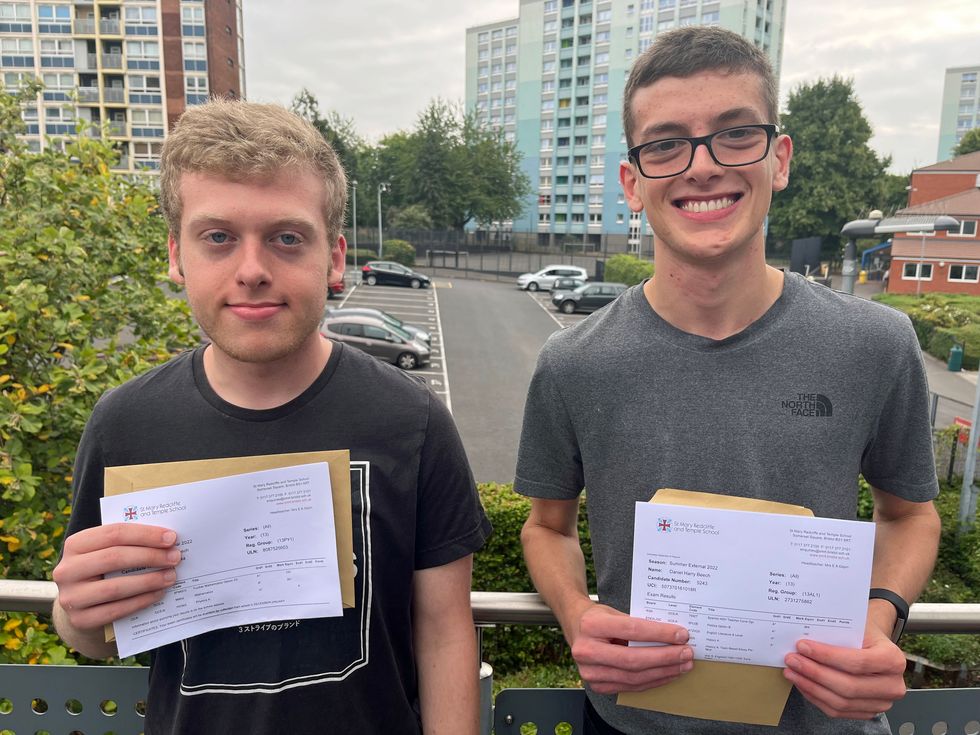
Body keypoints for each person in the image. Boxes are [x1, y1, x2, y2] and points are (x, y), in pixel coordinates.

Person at [515, 26, 940, 735]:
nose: (702, 165)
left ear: (780, 159)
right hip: (632, 725)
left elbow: (910, 513)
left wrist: (878, 619)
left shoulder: (876, 343)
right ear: (631, 182)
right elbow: (546, 526)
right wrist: (577, 613)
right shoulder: (574, 362)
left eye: (735, 134)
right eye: (666, 143)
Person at [52, 99, 491, 735]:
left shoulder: (413, 421)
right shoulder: (125, 424)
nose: (252, 270)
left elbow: (446, 633)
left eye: (287, 238)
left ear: (334, 258)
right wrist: (79, 613)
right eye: (218, 238)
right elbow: (95, 637)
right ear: (178, 256)